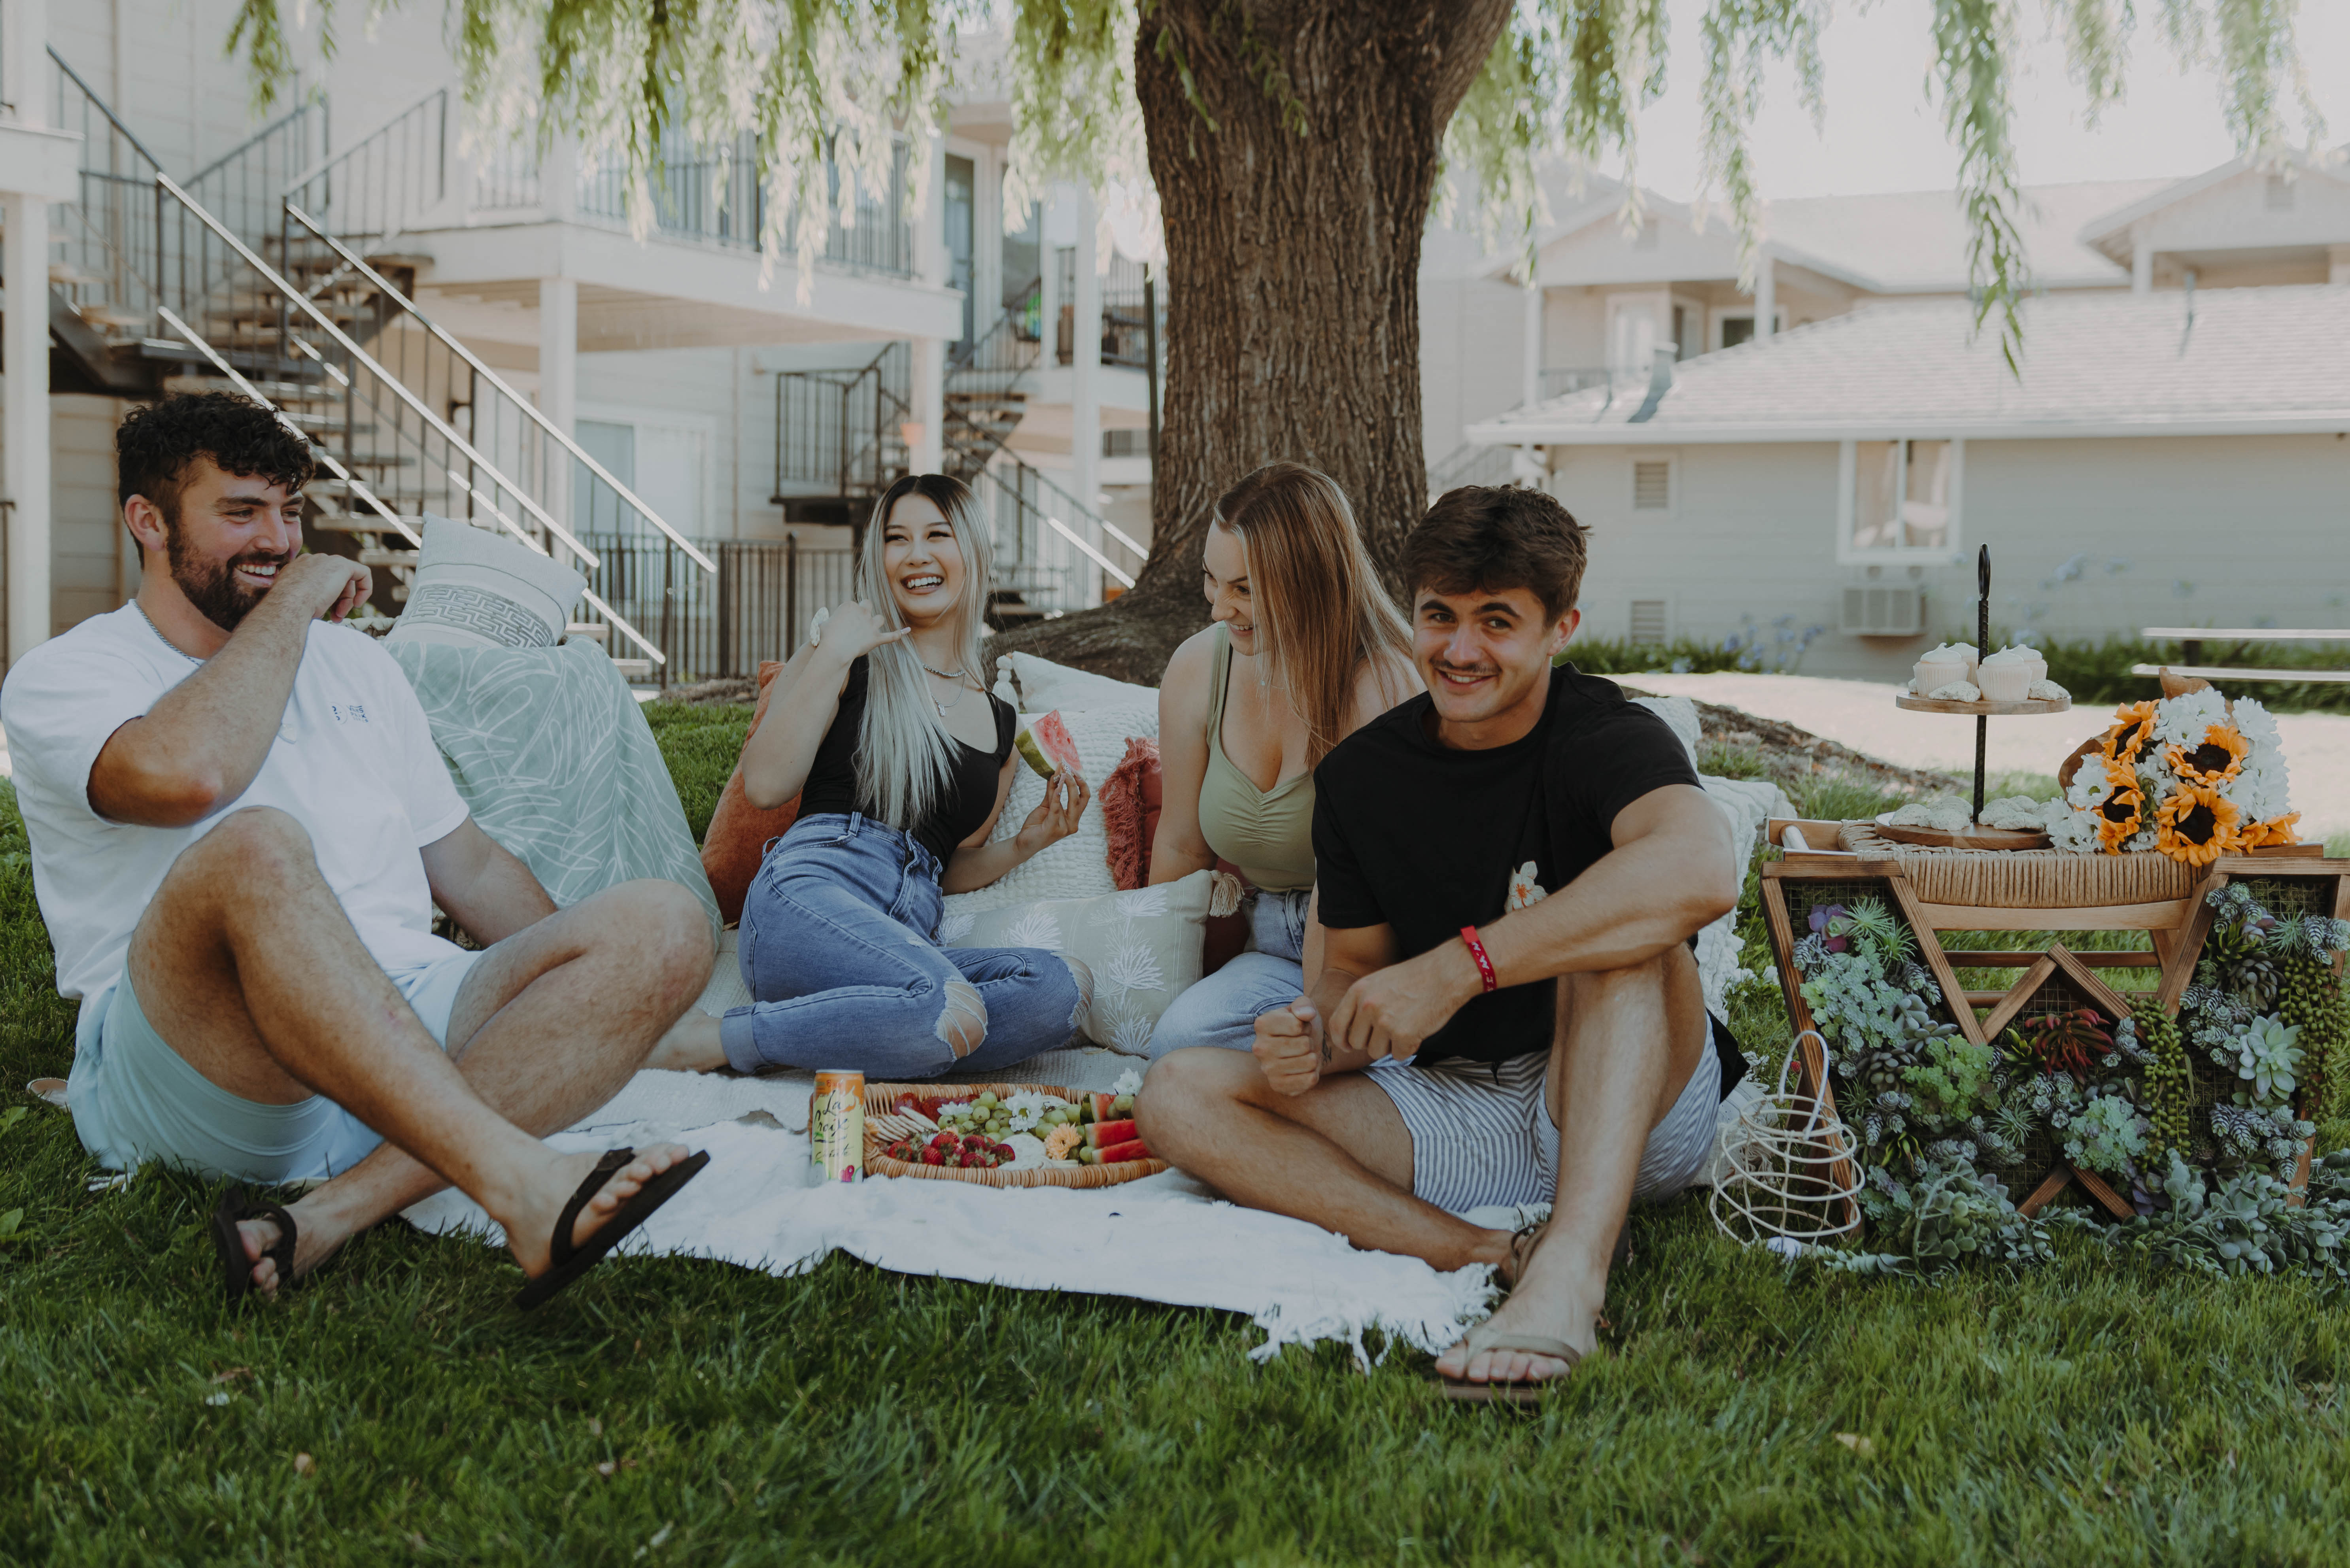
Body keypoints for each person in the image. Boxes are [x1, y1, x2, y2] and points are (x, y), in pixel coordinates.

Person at [1, 392, 716, 1306]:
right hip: (207, 1058)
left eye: (291, 512)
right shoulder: (69, 674)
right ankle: (521, 1182)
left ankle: (328, 1216)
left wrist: (592, 993)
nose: (278, 538)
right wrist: (298, 594)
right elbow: (192, 779)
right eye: (241, 512)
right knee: (255, 847)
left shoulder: (360, 668)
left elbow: (473, 868)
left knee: (663, 923)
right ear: (147, 522)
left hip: (402, 1010)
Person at [1137, 484, 1746, 1402]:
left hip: (1628, 1099)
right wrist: (1319, 1041)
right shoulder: (1362, 777)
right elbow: (1345, 977)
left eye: (1496, 622)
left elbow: (1700, 871)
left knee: (1624, 929)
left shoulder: (1607, 735)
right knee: (1180, 1091)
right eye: (1439, 617)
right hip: (1461, 1108)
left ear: (1559, 628)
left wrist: (1463, 967)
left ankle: (1571, 1274)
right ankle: (1489, 1250)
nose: (1459, 652)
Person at [646, 473, 1092, 1079]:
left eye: (938, 534)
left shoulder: (1000, 723)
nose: (916, 555)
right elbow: (767, 784)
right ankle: (723, 1040)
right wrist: (829, 652)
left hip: (906, 934)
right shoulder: (847, 657)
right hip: (807, 896)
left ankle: (874, 1026)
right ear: (878, 559)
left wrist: (1025, 845)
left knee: (1059, 988)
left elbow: (947, 866)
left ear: (973, 552)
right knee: (944, 1003)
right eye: (896, 538)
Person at [1141, 463, 1416, 1058]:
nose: (1219, 608)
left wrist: (1319, 1031)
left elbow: (1347, 887)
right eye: (1212, 580)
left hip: (1375, 947)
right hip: (1268, 945)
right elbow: (1182, 845)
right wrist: (1147, 988)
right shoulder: (1198, 668)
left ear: (1311, 581)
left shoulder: (1381, 688)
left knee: (1322, 1066)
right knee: (1175, 1044)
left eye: (1244, 588)